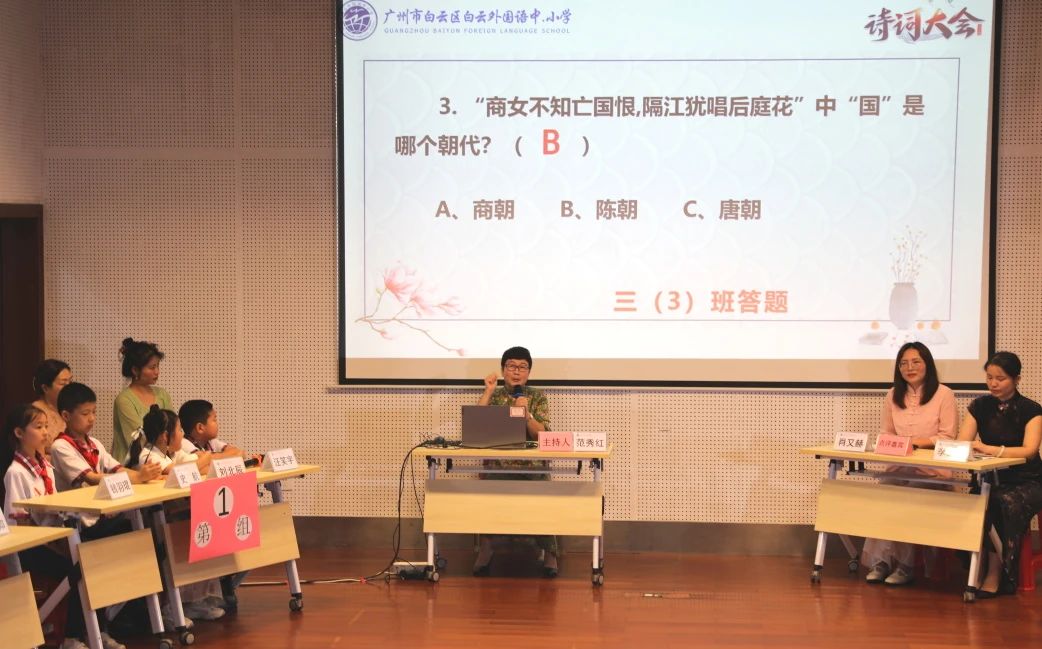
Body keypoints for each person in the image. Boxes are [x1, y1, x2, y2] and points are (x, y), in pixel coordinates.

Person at [1, 404, 122, 649]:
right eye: (38, 427)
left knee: (94, 562)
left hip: (56, 537)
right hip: (30, 547)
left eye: (46, 426)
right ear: (19, 433)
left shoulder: (46, 467)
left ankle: (97, 631)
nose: (45, 432)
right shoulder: (16, 472)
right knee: (78, 569)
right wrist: (57, 544)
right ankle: (70, 636)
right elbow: (20, 520)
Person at [862, 342, 958, 586]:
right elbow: (886, 433)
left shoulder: (944, 394)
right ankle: (882, 561)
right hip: (900, 467)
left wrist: (914, 443)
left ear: (927, 364)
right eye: (903, 363)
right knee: (884, 495)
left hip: (933, 472)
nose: (909, 367)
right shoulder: (892, 394)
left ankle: (906, 565)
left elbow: (948, 437)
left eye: (916, 362)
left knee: (909, 496)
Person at [126, 405, 223, 623]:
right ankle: (169, 609)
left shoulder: (172, 453)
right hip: (152, 522)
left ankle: (194, 601)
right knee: (174, 551)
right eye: (179, 430)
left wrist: (200, 462)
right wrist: (203, 460)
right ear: (164, 436)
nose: (182, 434)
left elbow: (198, 465)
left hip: (173, 516)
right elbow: (185, 469)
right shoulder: (148, 456)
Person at [956, 351, 1042, 597]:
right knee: (974, 502)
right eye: (989, 377)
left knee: (996, 502)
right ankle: (977, 567)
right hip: (989, 477)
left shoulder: (1031, 409)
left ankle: (996, 573)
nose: (993, 383)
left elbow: (1029, 451)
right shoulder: (979, 406)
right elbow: (963, 442)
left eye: (1000, 378)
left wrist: (992, 450)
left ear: (1016, 379)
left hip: (1026, 480)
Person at [473, 346, 557, 577]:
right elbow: (477, 426)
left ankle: (550, 554)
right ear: (503, 370)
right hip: (499, 466)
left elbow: (541, 435)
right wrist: (488, 391)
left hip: (532, 468)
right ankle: (486, 550)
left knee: (545, 504)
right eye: (511, 366)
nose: (517, 371)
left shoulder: (536, 396)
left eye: (522, 367)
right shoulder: (495, 395)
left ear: (529, 372)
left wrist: (526, 415)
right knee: (487, 501)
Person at [178, 399, 249, 610]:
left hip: (212, 505)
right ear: (200, 427)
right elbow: (201, 465)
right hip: (189, 508)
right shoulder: (185, 445)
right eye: (214, 419)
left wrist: (214, 458)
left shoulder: (211, 443)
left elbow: (239, 453)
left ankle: (223, 583)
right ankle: (197, 597)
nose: (218, 423)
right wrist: (216, 459)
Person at [112, 338, 172, 463]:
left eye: (157, 366)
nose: (157, 371)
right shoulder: (124, 400)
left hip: (161, 460)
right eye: (152, 367)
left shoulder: (162, 394)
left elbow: (172, 427)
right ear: (135, 370)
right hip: (131, 465)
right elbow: (139, 439)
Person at [31, 358, 72, 452]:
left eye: (70, 382)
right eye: (63, 384)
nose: (70, 387)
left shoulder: (70, 408)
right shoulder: (35, 412)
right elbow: (35, 454)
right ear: (45, 388)